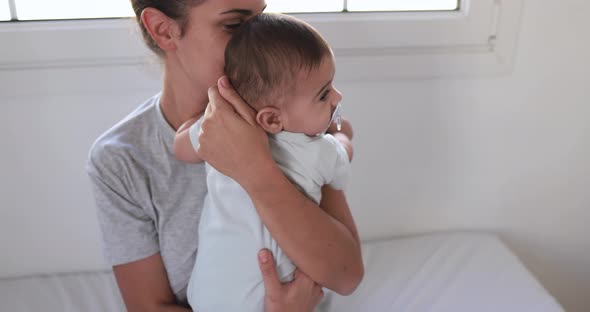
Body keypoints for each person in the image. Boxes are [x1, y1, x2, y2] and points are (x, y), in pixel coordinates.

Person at [86, 1, 363, 311]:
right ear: (164, 30)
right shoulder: (122, 160)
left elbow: (347, 275)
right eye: (235, 25)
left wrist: (256, 168)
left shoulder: (295, 115)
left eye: (262, 17)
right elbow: (149, 307)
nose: (261, 36)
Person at [172, 13, 354, 312]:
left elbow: (181, 147)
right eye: (324, 94)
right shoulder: (319, 151)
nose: (337, 96)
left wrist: (206, 111)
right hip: (272, 297)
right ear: (270, 118)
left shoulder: (220, 130)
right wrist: (343, 135)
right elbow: (344, 157)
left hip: (207, 295)